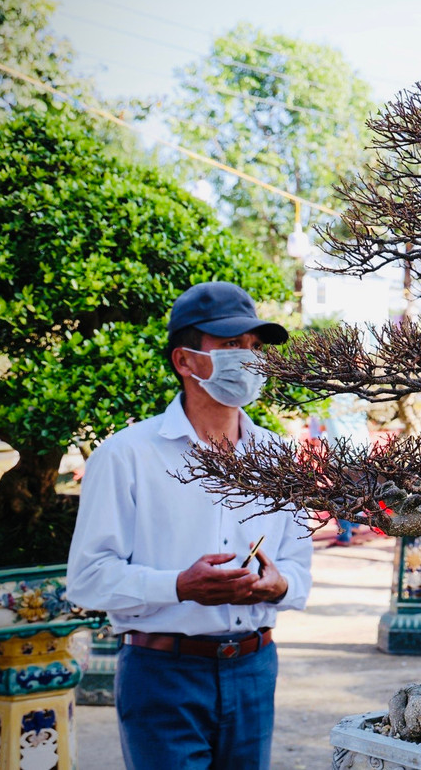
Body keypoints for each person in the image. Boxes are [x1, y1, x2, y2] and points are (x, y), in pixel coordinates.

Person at [67, 281, 313, 769]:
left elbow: (299, 571)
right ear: (185, 361)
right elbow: (88, 579)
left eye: (255, 347)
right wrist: (180, 585)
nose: (249, 359)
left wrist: (276, 583)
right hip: (162, 674)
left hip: (254, 669)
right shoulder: (126, 456)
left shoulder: (282, 457)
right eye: (230, 346)